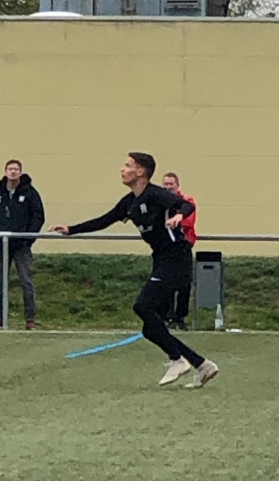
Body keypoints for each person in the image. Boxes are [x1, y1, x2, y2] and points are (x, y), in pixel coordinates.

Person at [50, 152, 218, 389]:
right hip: (161, 260)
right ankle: (202, 365)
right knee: (151, 329)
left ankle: (177, 360)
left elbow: (187, 205)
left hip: (176, 259)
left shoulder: (156, 194)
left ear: (140, 171)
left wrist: (179, 215)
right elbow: (104, 220)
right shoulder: (130, 202)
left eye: (128, 165)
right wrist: (70, 229)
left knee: (142, 306)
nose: (123, 169)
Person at [0, 159, 45, 330]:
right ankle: (0, 318)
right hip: (1, 246)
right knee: (0, 282)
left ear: (20, 172)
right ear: (5, 171)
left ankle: (30, 320)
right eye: (10, 169)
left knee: (26, 281)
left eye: (16, 169)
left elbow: (38, 216)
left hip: (21, 246)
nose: (13, 172)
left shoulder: (30, 193)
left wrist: (28, 239)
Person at [161, 172, 196, 330]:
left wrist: (175, 219)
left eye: (171, 184)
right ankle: (167, 316)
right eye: (166, 184)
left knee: (184, 283)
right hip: (165, 248)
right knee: (166, 282)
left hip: (183, 246)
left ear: (177, 185)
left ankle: (180, 317)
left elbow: (188, 222)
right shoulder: (160, 202)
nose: (168, 187)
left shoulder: (187, 201)